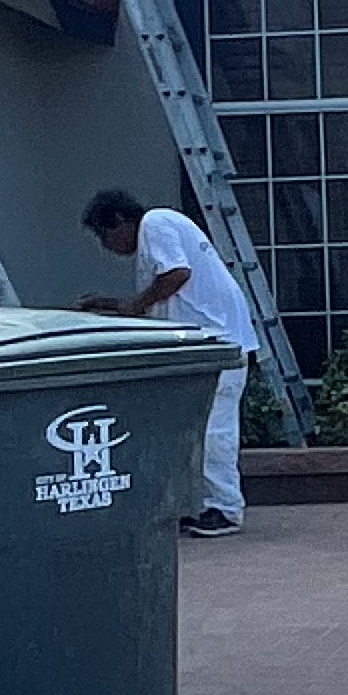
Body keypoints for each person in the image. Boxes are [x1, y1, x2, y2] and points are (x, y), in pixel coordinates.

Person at [78, 189, 254, 537]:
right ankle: (207, 503)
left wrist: (131, 305)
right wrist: (112, 305)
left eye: (103, 235)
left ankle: (225, 508)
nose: (106, 247)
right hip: (211, 343)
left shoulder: (156, 223)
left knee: (214, 430)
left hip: (217, 343)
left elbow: (176, 276)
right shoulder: (158, 235)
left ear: (117, 222)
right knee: (201, 428)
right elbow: (161, 299)